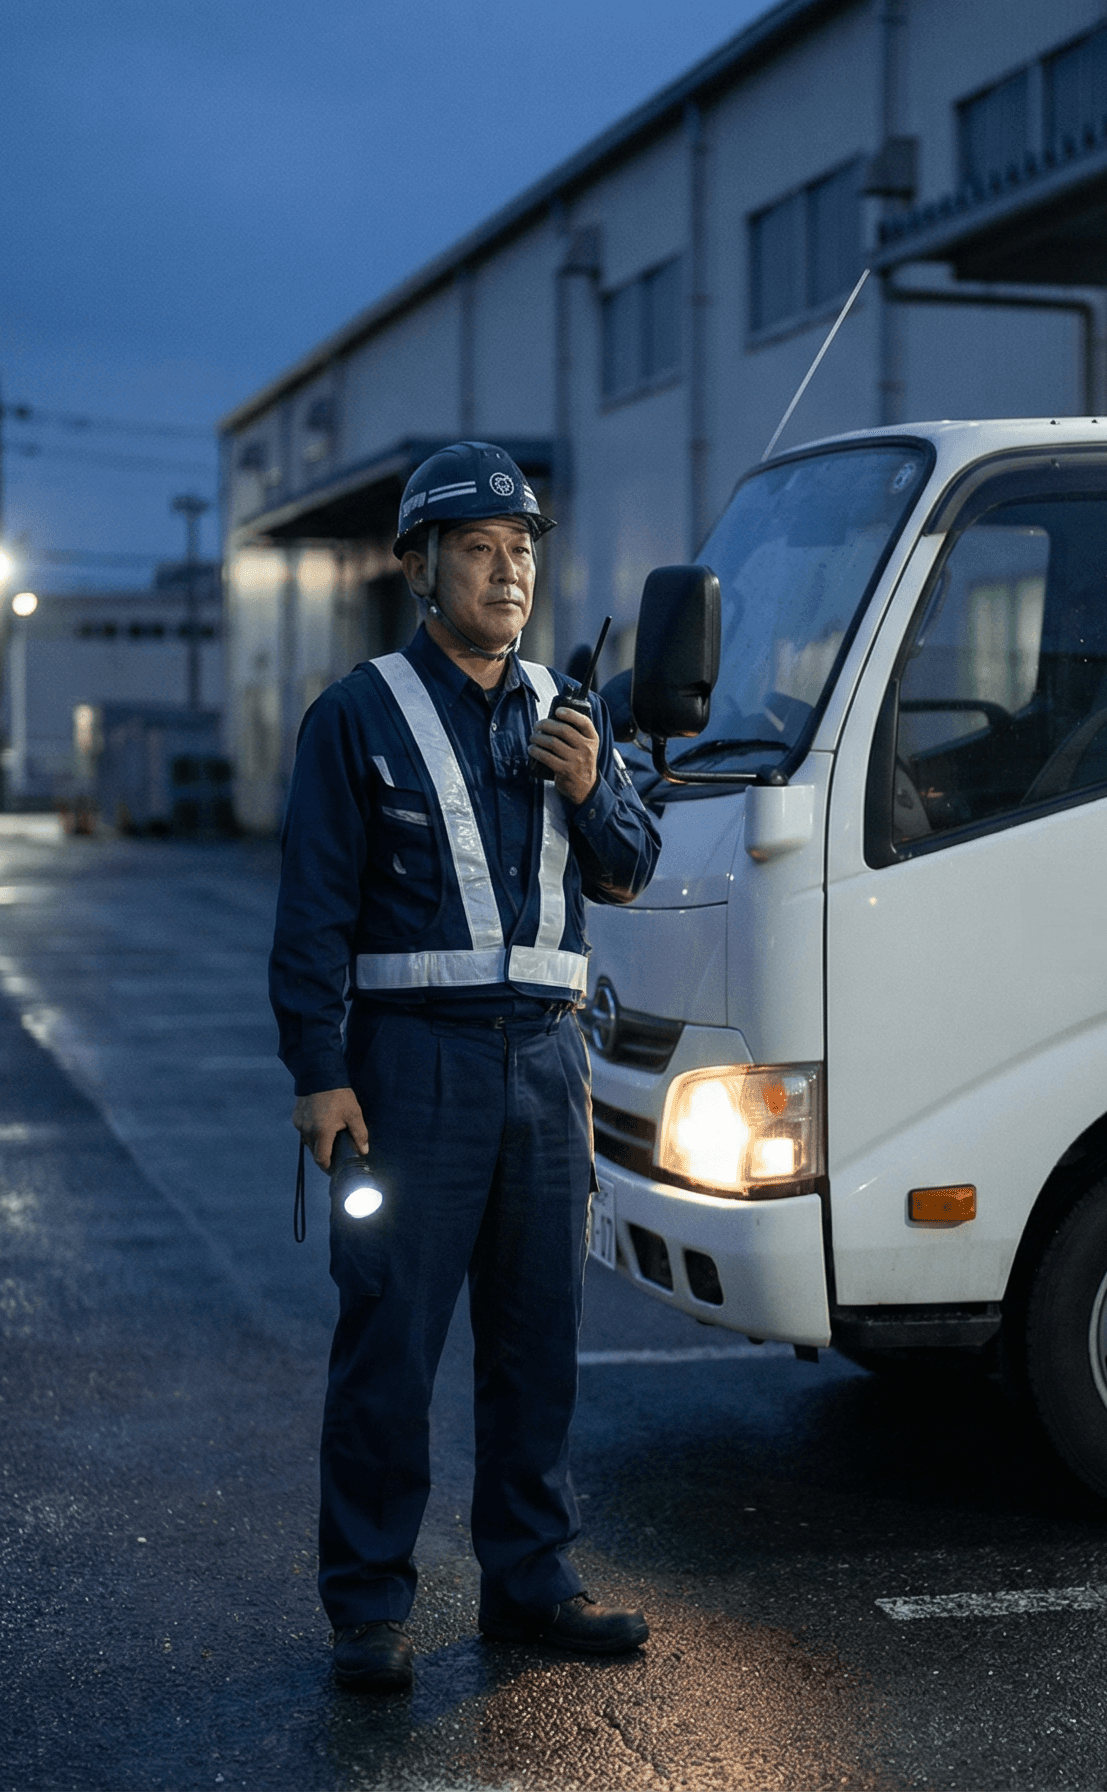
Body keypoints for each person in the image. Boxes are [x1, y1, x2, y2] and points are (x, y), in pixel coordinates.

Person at [270, 441, 663, 1695]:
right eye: (483, 550)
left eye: (525, 550)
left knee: (539, 1340)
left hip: (547, 1070)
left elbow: (630, 865)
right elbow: (311, 919)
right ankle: (370, 1606)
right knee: (390, 1340)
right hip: (410, 1073)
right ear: (420, 565)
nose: (511, 571)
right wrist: (319, 1073)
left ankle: (531, 1583)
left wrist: (594, 785)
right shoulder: (356, 714)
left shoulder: (572, 712)